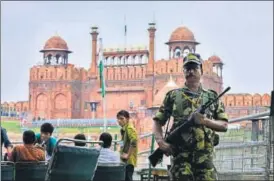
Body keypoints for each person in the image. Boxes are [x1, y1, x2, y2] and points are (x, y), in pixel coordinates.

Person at [152, 53, 229, 181]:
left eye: (194, 68)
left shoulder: (211, 97)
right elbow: (157, 121)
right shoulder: (173, 96)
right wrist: (160, 142)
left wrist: (205, 121)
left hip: (205, 159)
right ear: (183, 72)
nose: (191, 71)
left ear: (201, 71)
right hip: (181, 160)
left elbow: (224, 125)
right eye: (188, 69)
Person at [117, 110, 138, 181]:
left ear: (128, 119)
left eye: (122, 118)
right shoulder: (124, 129)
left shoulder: (129, 128)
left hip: (128, 161)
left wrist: (127, 155)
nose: (119, 121)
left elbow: (134, 141)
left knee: (127, 178)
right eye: (118, 119)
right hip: (125, 160)